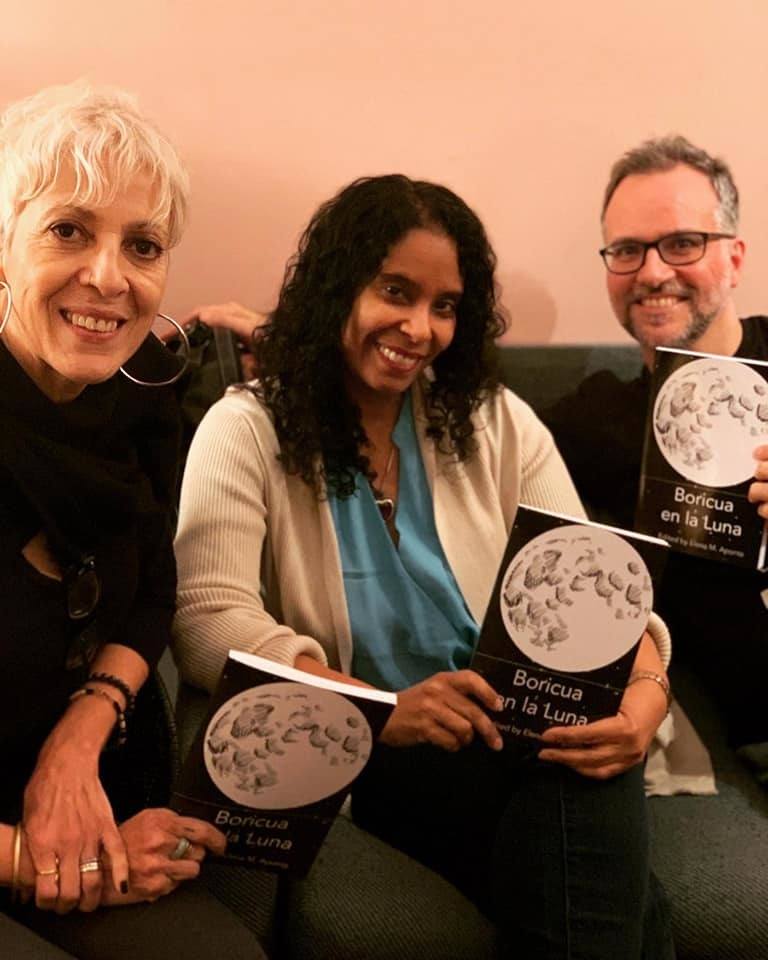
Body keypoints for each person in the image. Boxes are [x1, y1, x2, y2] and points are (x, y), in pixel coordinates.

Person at [174, 174, 674, 958]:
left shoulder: (492, 421)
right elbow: (209, 620)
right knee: (616, 877)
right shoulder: (245, 430)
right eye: (396, 291)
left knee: (583, 783)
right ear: (340, 287)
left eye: (445, 306)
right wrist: (380, 709)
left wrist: (644, 701)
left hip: (512, 734)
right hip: (377, 757)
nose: (420, 327)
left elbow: (598, 579)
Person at [0, 81, 266, 959]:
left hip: (96, 789)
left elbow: (153, 590)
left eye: (142, 245)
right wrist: (39, 862)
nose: (109, 277)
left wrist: (78, 741)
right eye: (68, 229)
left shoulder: (141, 393)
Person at [543, 136, 768, 756]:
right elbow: (457, 434)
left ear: (735, 258)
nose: (652, 272)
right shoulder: (590, 420)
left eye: (682, 243)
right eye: (627, 250)